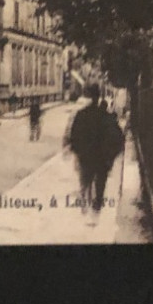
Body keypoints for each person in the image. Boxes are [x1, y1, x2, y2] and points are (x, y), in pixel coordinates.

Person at [64, 83, 125, 216]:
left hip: (86, 156)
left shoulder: (81, 115)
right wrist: (111, 157)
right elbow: (118, 137)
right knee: (100, 184)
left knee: (85, 181)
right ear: (98, 97)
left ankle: (85, 206)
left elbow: (74, 134)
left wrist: (76, 150)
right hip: (102, 158)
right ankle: (96, 209)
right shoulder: (106, 116)